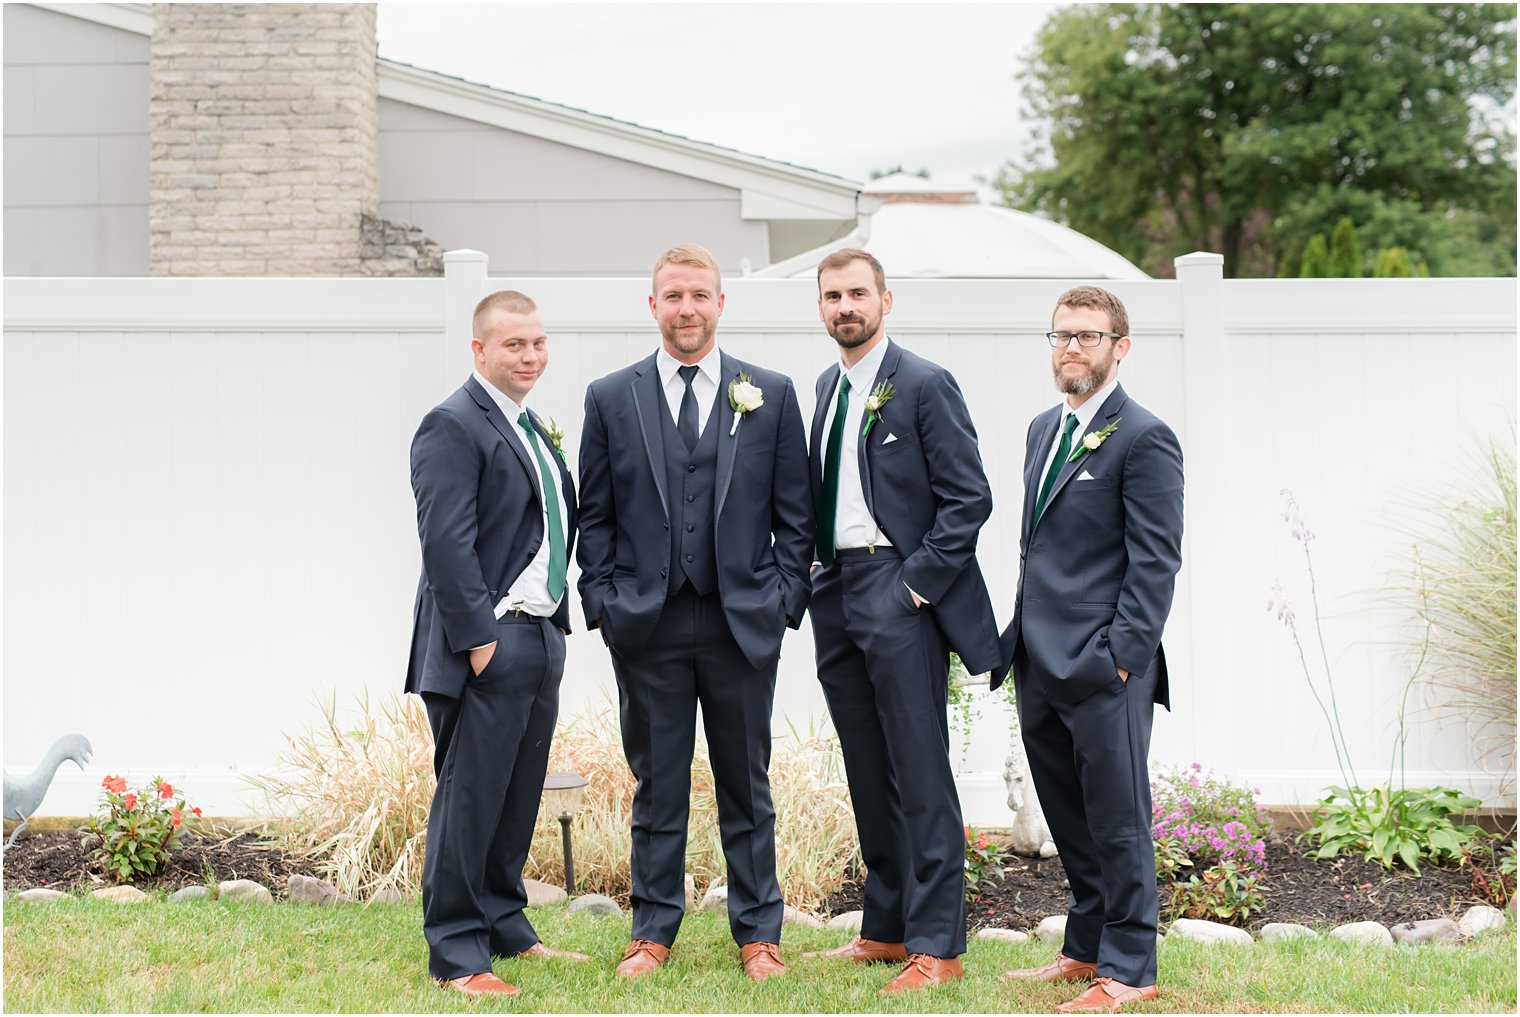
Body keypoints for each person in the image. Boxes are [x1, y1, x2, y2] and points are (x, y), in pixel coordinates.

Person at [576, 243, 814, 981]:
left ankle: (758, 934)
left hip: (743, 621)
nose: (686, 308)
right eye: (673, 296)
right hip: (647, 623)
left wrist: (779, 604)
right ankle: (651, 930)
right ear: (654, 306)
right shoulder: (611, 396)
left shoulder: (768, 392)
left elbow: (795, 517)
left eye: (699, 295)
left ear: (720, 304)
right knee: (658, 784)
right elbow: (596, 515)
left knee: (748, 782)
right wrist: (607, 605)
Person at [802, 248, 1003, 995]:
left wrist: (915, 586)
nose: (844, 306)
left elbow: (968, 499)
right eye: (832, 296)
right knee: (867, 768)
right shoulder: (827, 386)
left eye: (857, 293)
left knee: (919, 770)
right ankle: (884, 929)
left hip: (899, 589)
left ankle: (938, 943)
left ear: (886, 300)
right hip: (837, 590)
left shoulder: (922, 384)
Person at [999, 286, 1184, 1013]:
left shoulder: (1145, 437)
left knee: (1117, 817)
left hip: (1106, 667)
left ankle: (1132, 966)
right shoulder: (1044, 428)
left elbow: (1155, 562)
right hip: (1038, 660)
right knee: (1069, 816)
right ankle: (1084, 949)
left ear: (1120, 346)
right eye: (1061, 334)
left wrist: (1120, 657)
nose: (1071, 347)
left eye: (1088, 335)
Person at [405, 290, 588, 997]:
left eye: (538, 342)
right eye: (515, 344)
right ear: (479, 349)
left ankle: (505, 924)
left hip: (540, 636)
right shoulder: (451, 424)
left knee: (515, 795)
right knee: (470, 796)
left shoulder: (529, 424)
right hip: (484, 645)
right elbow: (445, 542)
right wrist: (481, 643)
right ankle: (456, 951)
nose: (531, 355)